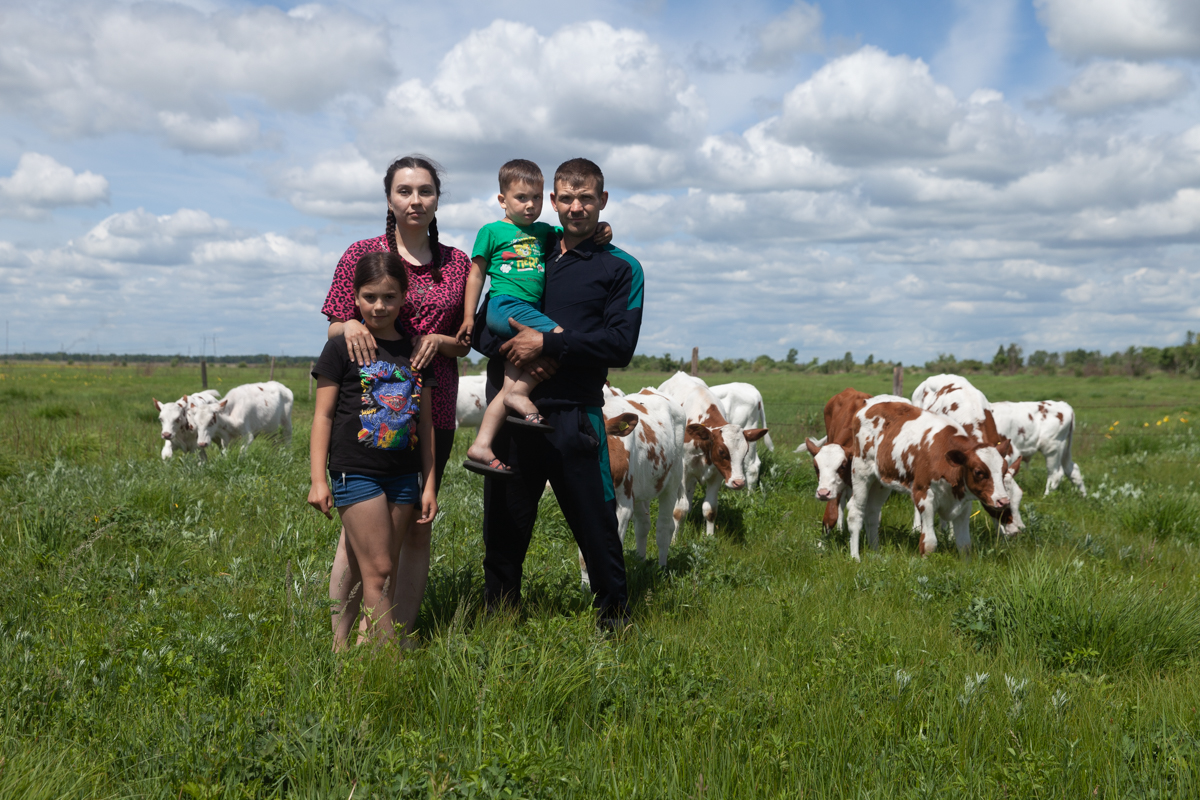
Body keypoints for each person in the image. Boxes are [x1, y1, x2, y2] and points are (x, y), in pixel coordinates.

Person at [472, 158, 644, 629]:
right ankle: (499, 627)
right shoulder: (529, 250)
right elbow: (485, 330)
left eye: (586, 197)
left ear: (602, 201)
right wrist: (519, 347)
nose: (576, 207)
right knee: (503, 532)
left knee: (597, 527)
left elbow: (620, 345)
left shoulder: (621, 268)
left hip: (575, 420)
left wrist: (551, 343)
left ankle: (615, 626)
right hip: (512, 413)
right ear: (552, 202)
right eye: (566, 198)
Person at [320, 154, 471, 644]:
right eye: (404, 191)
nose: (415, 200)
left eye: (425, 191)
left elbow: (465, 339)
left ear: (436, 199)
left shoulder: (458, 264)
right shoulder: (361, 253)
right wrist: (358, 323)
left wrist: (442, 342)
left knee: (418, 526)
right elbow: (335, 325)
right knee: (358, 535)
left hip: (431, 407)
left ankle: (394, 635)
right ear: (389, 197)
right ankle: (340, 639)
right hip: (366, 410)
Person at [309, 251, 438, 649]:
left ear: (404, 298)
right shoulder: (340, 349)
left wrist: (429, 484)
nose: (379, 306)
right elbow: (323, 417)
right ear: (355, 297)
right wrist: (318, 479)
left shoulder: (417, 352)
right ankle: (388, 667)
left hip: (403, 476)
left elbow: (427, 424)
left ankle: (346, 649)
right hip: (354, 471)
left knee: (383, 567)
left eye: (388, 297)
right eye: (369, 297)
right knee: (379, 568)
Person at [456, 159, 610, 476]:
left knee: (512, 377)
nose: (530, 206)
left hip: (525, 313)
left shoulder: (543, 232)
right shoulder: (492, 231)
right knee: (560, 337)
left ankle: (481, 444)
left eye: (536, 198)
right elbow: (476, 275)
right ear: (503, 200)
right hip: (505, 306)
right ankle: (521, 396)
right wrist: (469, 317)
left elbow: (575, 232)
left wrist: (601, 229)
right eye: (521, 198)